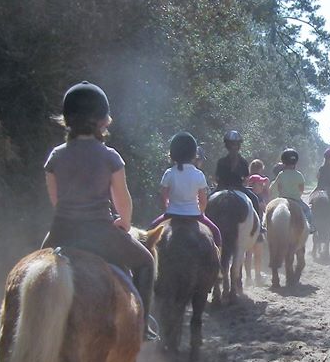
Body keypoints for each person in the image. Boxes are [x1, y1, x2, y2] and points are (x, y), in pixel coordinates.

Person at [41, 81, 157, 340]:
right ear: (103, 121)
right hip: (101, 233)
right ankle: (141, 328)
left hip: (61, 232)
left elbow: (56, 201)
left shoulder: (55, 157)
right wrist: (124, 223)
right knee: (146, 263)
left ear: (66, 120)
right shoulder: (110, 157)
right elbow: (122, 201)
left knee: (36, 269)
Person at [149, 131, 222, 248]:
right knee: (216, 233)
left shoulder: (169, 173)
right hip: (194, 214)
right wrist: (200, 213)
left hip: (171, 213)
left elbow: (164, 197)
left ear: (173, 154)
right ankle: (220, 265)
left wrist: (169, 208)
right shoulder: (199, 174)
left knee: (150, 232)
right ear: (194, 154)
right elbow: (203, 201)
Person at [215, 130, 265, 240]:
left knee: (210, 199)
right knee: (254, 199)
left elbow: (217, 178)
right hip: (239, 188)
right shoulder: (243, 161)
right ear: (239, 146)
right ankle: (258, 226)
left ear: (226, 145)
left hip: (222, 187)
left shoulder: (221, 161)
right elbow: (246, 179)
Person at [270, 148, 315, 233]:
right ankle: (311, 227)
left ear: (283, 161)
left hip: (282, 200)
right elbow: (301, 190)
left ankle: (265, 225)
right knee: (307, 210)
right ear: (296, 162)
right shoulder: (299, 175)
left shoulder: (281, 174)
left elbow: (278, 187)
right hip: (296, 201)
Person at [246, 159, 270, 280]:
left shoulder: (251, 196)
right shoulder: (257, 198)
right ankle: (255, 275)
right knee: (256, 253)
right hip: (256, 228)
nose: (262, 186)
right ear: (252, 185)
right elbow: (265, 210)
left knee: (251, 253)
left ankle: (252, 276)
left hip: (251, 228)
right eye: (260, 184)